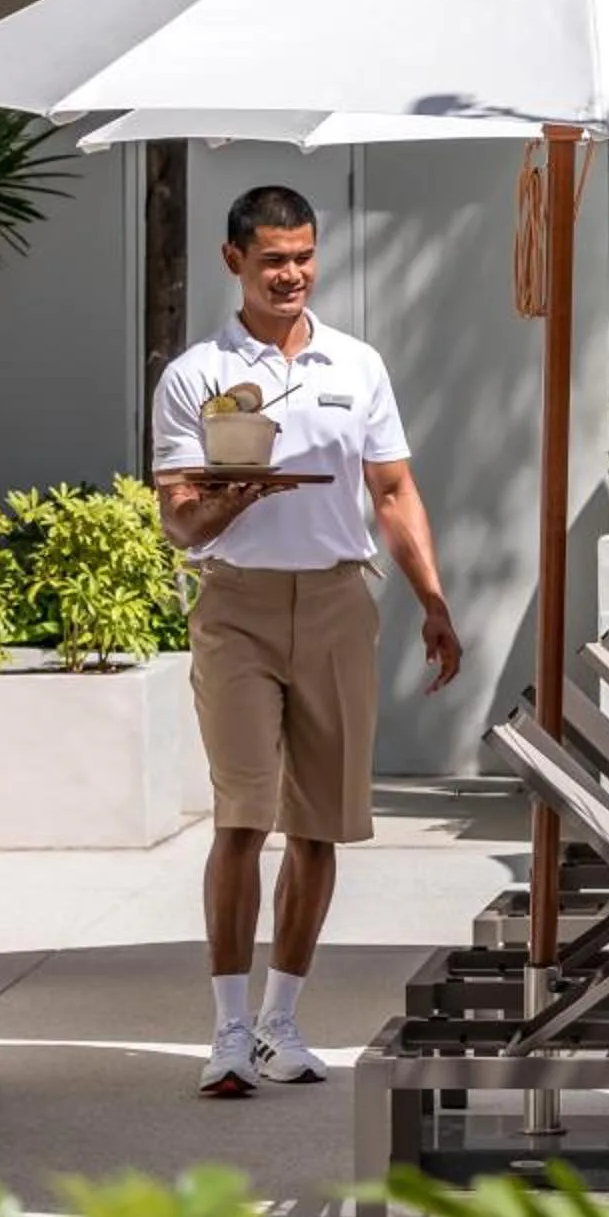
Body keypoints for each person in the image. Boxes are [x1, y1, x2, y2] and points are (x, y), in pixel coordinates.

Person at [151, 185, 462, 1099]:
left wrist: (433, 600)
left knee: (319, 825)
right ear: (234, 262)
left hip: (336, 603)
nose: (291, 275)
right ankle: (228, 1031)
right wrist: (231, 498)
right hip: (237, 607)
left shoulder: (356, 365)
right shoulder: (196, 375)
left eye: (303, 257)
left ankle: (282, 1021)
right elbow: (179, 520)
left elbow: (392, 492)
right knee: (243, 816)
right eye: (272, 260)